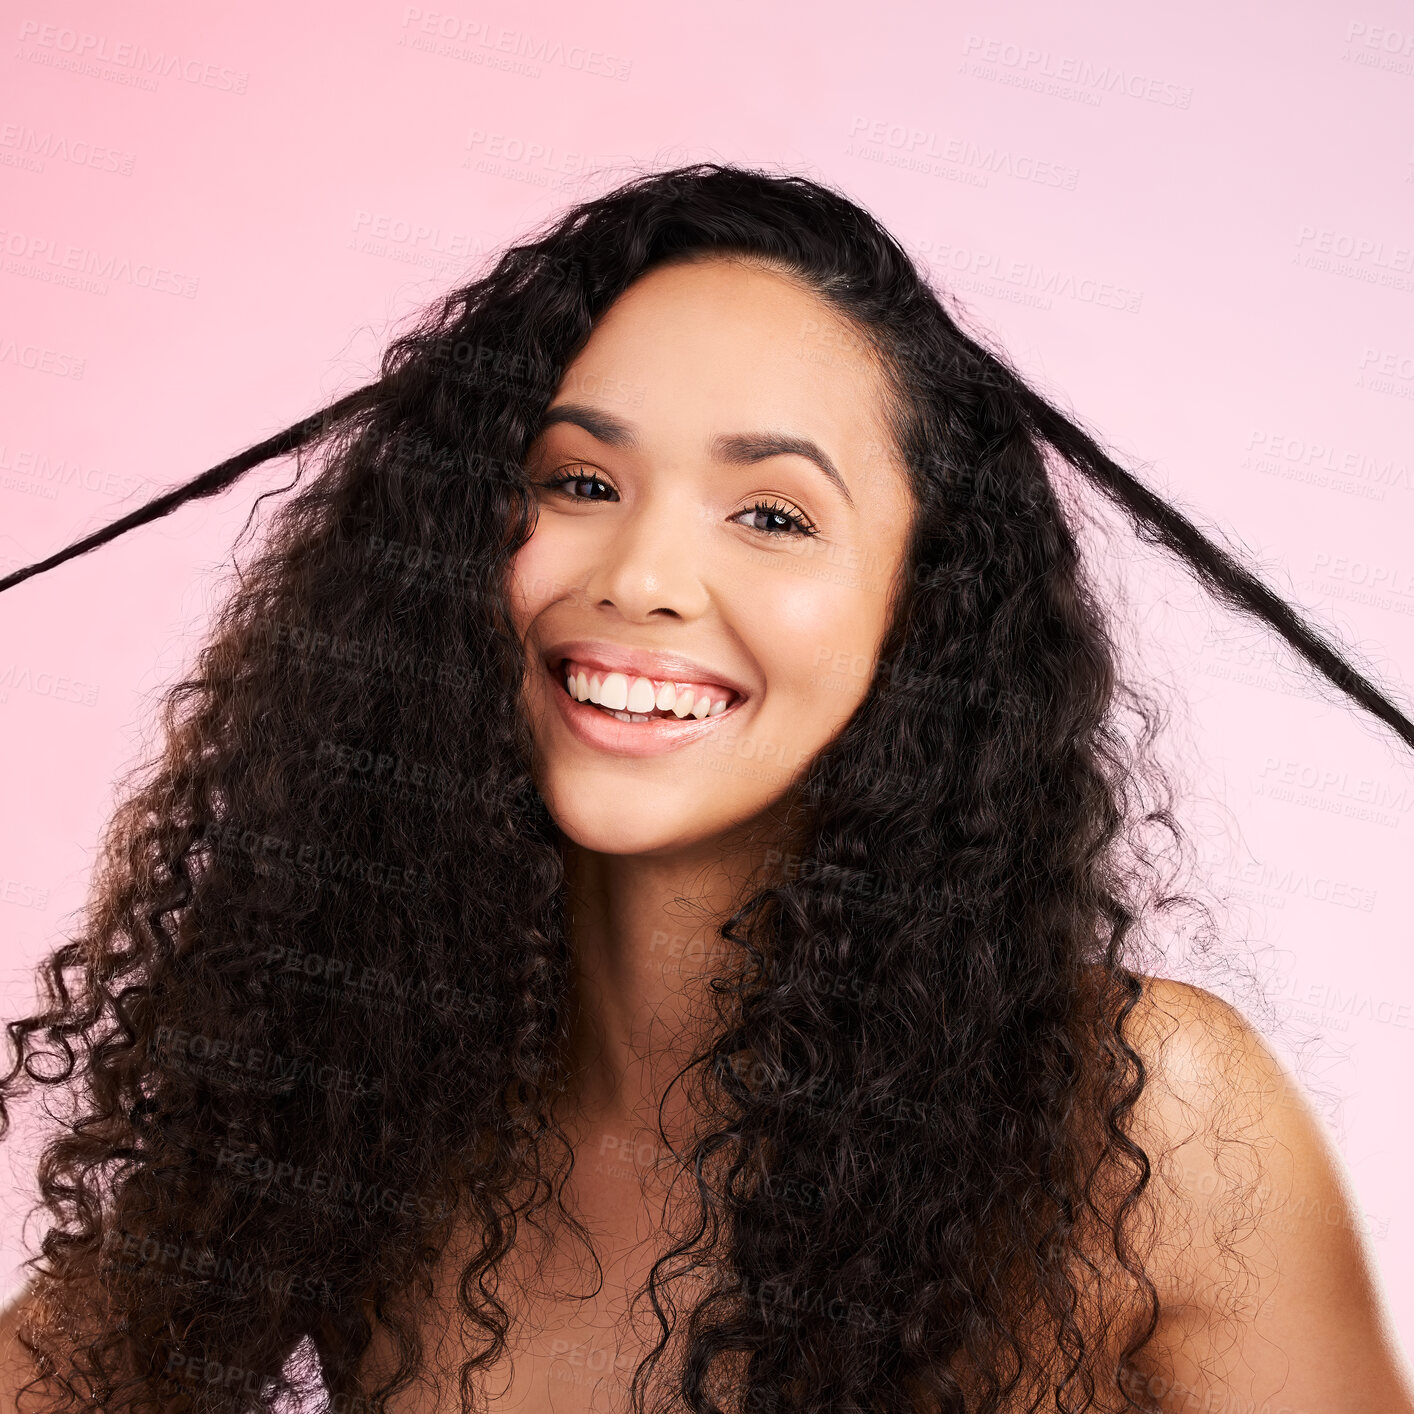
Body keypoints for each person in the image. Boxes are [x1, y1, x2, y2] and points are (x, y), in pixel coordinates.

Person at [0, 163, 1411, 1414]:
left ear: (920, 610)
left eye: (772, 514)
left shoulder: (1153, 1122)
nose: (640, 578)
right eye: (577, 480)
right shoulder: (358, 1102)